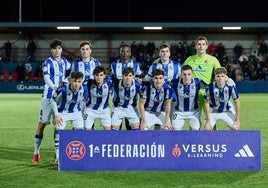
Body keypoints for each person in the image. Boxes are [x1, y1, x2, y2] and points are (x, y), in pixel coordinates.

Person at [32, 39, 71, 164]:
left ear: (61, 49)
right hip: (48, 97)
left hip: (60, 98)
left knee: (58, 125)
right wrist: (55, 87)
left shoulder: (65, 62)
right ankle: (36, 152)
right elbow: (46, 77)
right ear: (51, 50)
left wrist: (66, 82)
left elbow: (72, 72)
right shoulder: (48, 62)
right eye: (54, 48)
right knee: (42, 124)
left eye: (59, 48)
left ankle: (58, 154)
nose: (57, 51)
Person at [183, 36, 235, 130]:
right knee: (194, 121)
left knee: (210, 120)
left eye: (203, 44)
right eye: (199, 44)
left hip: (209, 94)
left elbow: (220, 73)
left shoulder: (212, 60)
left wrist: (228, 79)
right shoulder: (189, 60)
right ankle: (194, 141)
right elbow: (182, 74)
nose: (201, 46)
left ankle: (212, 141)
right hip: (193, 94)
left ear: (207, 46)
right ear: (195, 46)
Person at [51, 71, 87, 164]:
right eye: (75, 81)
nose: (77, 84)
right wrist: (56, 114)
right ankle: (58, 157)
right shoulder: (62, 89)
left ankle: (76, 156)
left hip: (76, 112)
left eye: (79, 81)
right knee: (58, 133)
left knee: (80, 134)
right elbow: (53, 100)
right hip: (63, 112)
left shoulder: (84, 89)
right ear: (71, 80)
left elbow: (84, 101)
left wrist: (83, 113)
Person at [70, 40, 101, 130]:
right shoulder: (75, 64)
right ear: (80, 51)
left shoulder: (96, 63)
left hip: (92, 96)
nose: (85, 51)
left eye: (87, 49)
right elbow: (71, 79)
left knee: (90, 121)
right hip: (79, 96)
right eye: (83, 49)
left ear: (90, 50)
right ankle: (76, 140)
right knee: (78, 121)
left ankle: (89, 141)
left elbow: (99, 79)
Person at [110, 44, 143, 130]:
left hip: (131, 103)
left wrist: (138, 79)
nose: (125, 53)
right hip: (118, 101)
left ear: (130, 53)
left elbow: (139, 77)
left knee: (131, 128)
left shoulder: (135, 64)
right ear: (120, 52)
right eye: (123, 51)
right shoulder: (114, 64)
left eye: (127, 51)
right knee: (117, 128)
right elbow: (112, 78)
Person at [171, 65, 201, 130]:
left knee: (196, 131)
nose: (186, 77)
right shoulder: (174, 83)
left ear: (192, 74)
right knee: (175, 132)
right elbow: (161, 83)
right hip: (179, 112)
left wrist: (227, 80)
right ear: (181, 75)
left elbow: (213, 84)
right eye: (184, 74)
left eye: (189, 74)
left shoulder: (198, 82)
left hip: (194, 112)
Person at [83, 66, 113, 130]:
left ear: (104, 76)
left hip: (104, 109)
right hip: (90, 109)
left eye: (101, 75)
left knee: (108, 132)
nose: (99, 77)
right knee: (86, 131)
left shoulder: (109, 82)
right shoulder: (89, 83)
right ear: (93, 75)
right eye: (97, 75)